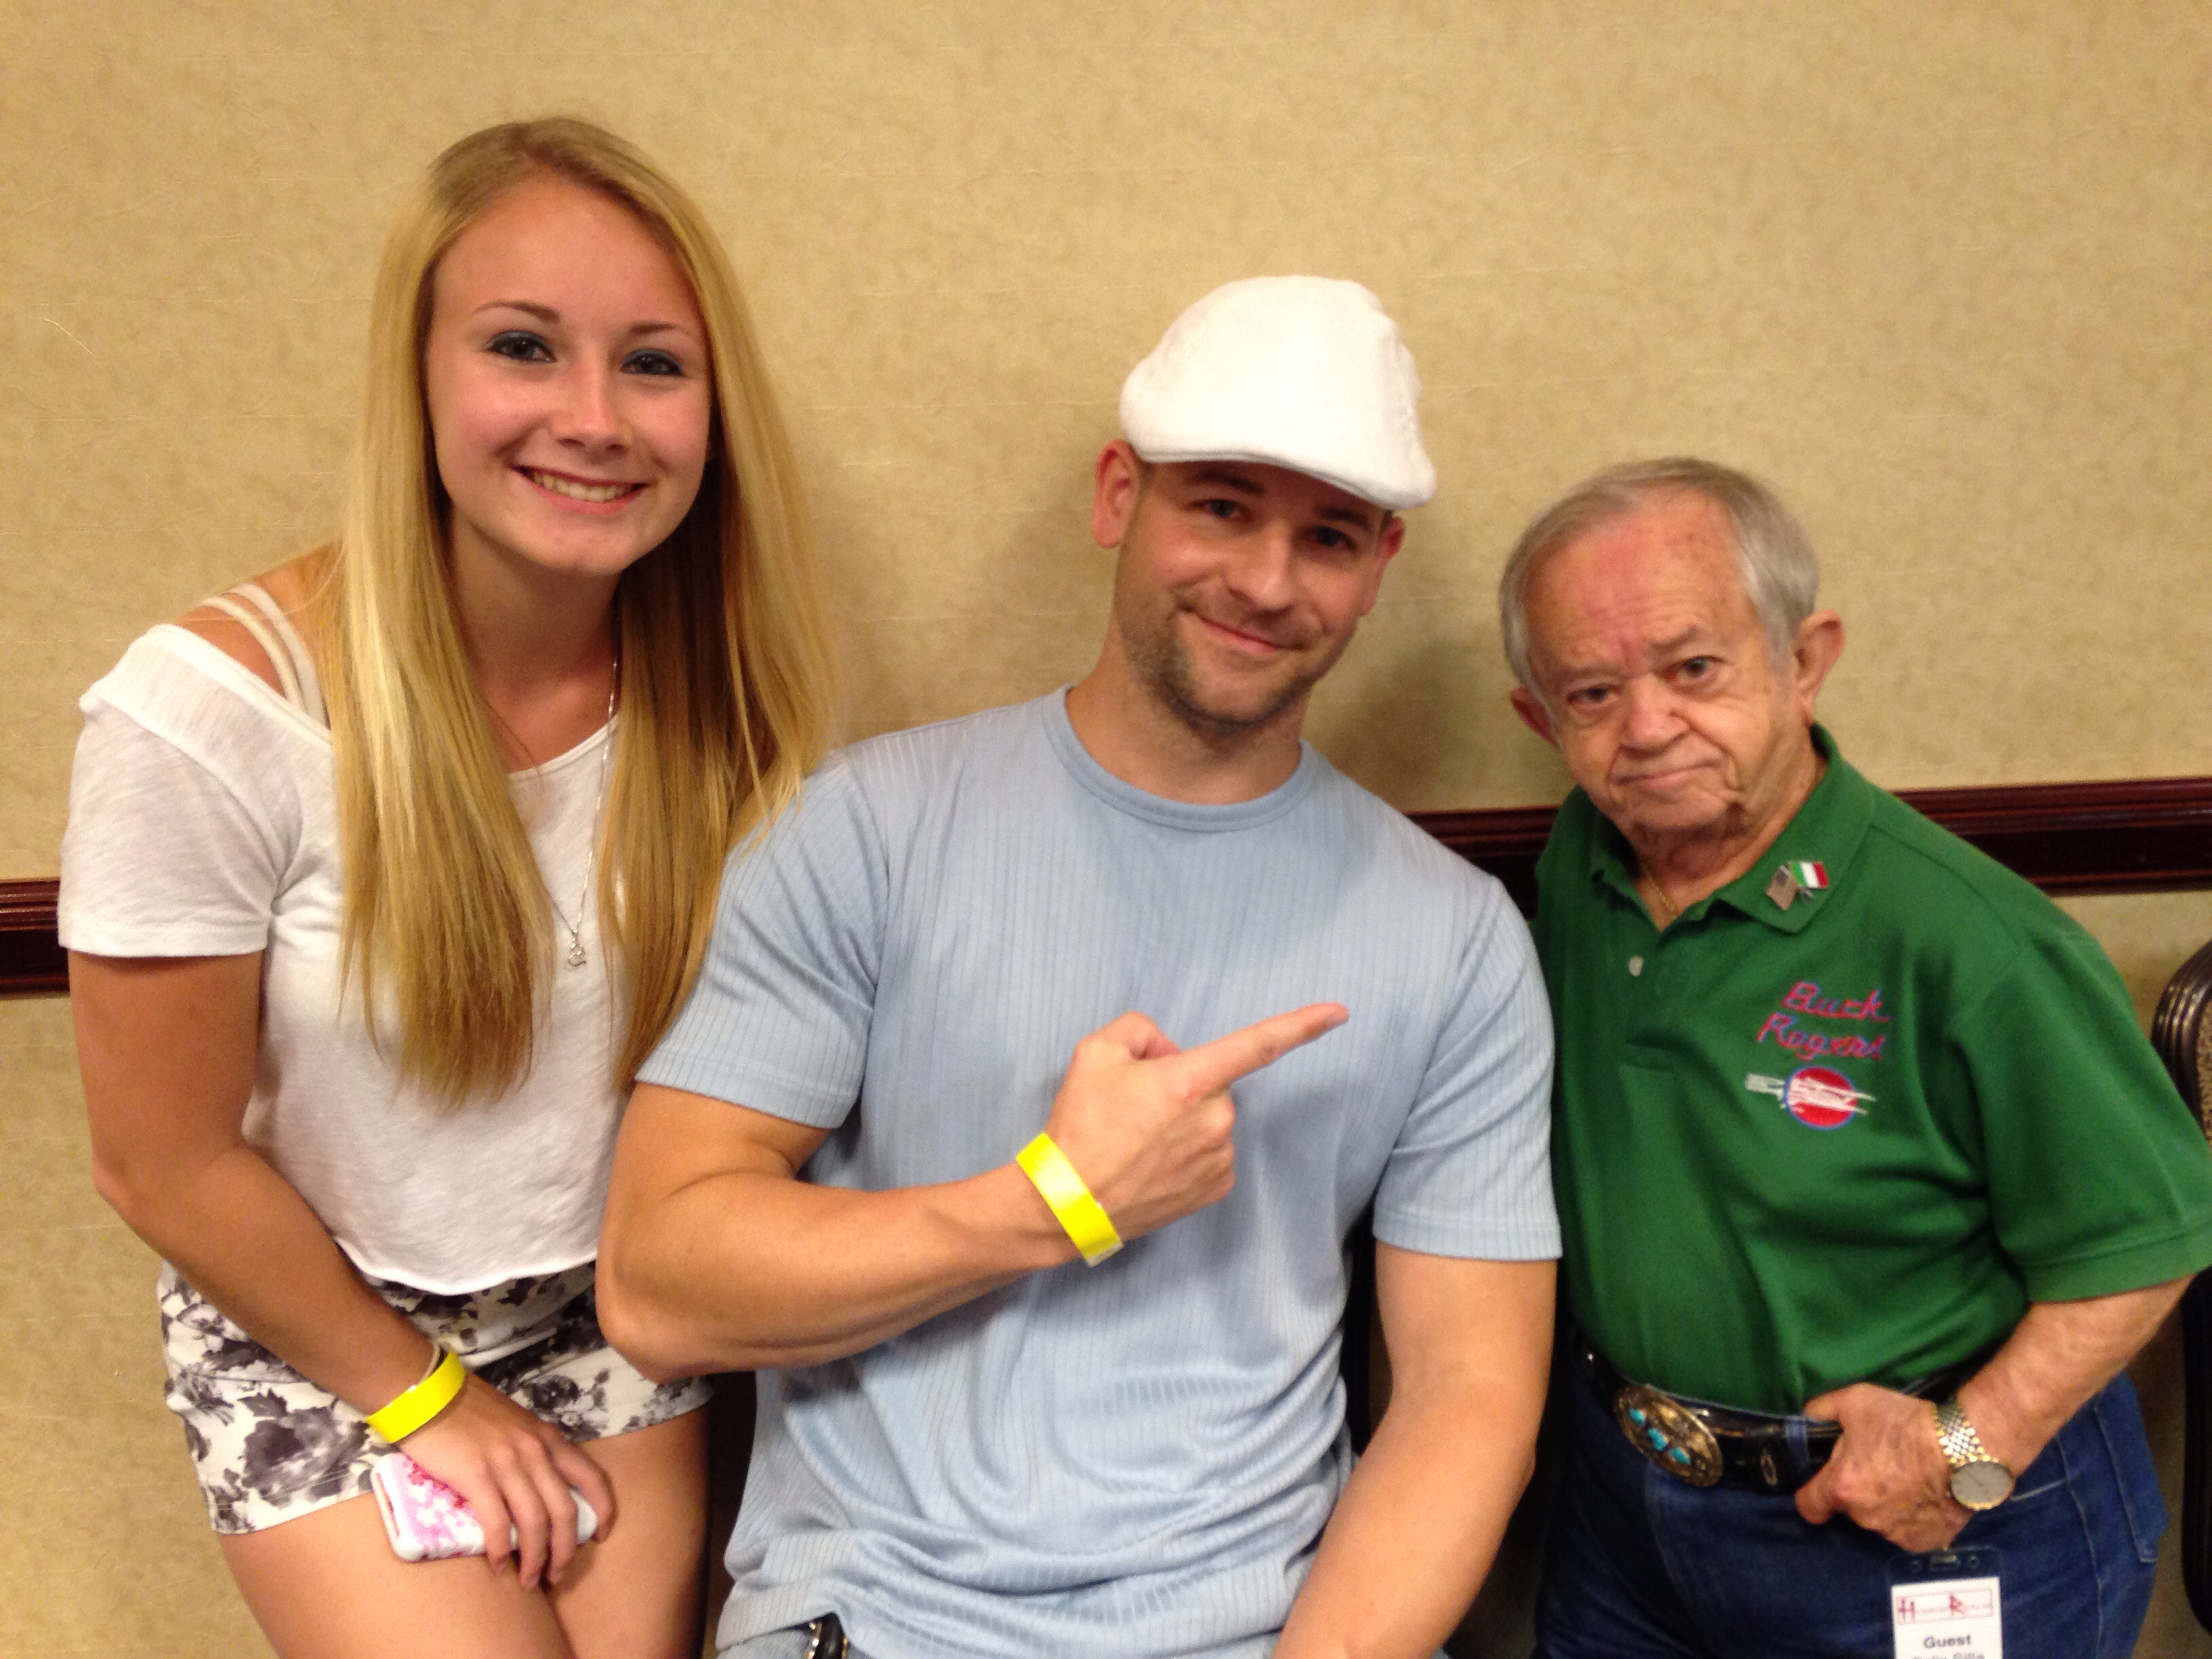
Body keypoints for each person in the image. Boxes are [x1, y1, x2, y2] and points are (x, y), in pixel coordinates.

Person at [597, 276, 1559, 1659]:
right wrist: (1056, 1203)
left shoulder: (1456, 939)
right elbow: (659, 1288)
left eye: (1329, 537)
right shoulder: (869, 831)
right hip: (870, 1625)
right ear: (1120, 497)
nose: (1268, 583)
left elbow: (1470, 1391)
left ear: (1379, 567)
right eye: (1220, 507)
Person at [60, 117, 834, 1659]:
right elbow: (163, 1166)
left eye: (656, 364)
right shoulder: (210, 713)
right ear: (416, 376)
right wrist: (427, 1402)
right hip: (318, 1336)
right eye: (524, 348)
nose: (595, 419)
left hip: (607, 1311)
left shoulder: (722, 704)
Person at [1498, 455, 2212, 1658]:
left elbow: (2150, 1240)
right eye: (1592, 693)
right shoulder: (1583, 867)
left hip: (1920, 1529)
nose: (1649, 727)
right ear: (1541, 721)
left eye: (1694, 669)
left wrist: (1967, 1451)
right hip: (1627, 1518)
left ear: (1804, 658)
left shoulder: (1969, 936)